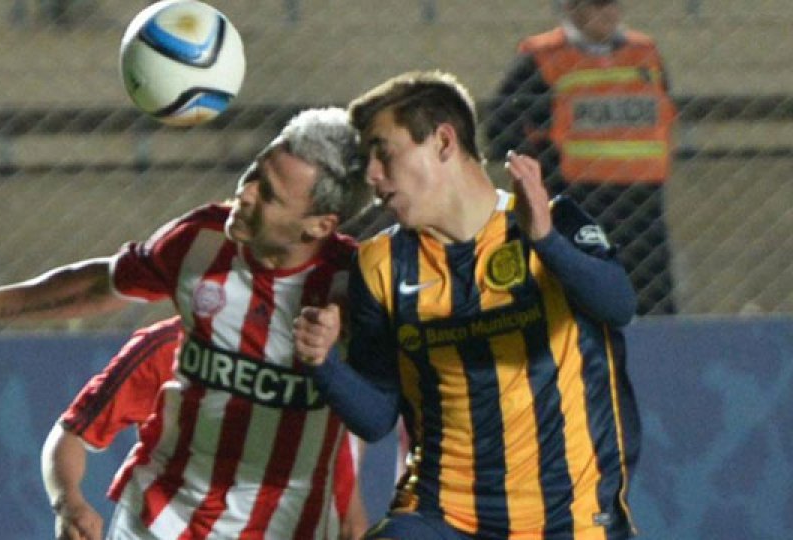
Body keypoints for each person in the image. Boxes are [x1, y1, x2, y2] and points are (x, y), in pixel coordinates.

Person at [0, 106, 374, 539]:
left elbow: (380, 406)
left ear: (319, 225)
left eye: (268, 195)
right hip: (164, 517)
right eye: (255, 171)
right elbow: (100, 283)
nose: (246, 192)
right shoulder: (199, 239)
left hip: (288, 527)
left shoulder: (359, 287)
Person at [294, 71, 641, 539]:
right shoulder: (380, 264)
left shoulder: (551, 221)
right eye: (366, 160)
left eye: (384, 152)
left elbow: (618, 305)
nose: (372, 174)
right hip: (443, 518)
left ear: (442, 142)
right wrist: (322, 363)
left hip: (572, 522)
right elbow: (376, 418)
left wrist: (546, 241)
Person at [42, 315, 369, 540]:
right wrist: (68, 502)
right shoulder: (171, 345)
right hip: (166, 527)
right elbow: (71, 431)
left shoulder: (327, 369)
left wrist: (351, 520)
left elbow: (339, 477)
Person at [487, 0, 677, 315]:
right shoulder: (543, 56)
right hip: (580, 198)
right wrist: (546, 168)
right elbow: (501, 127)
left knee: (652, 298)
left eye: (612, 4)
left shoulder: (645, 52)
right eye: (597, 5)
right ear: (573, 9)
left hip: (643, 200)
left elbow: (664, 111)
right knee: (581, 295)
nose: (608, 13)